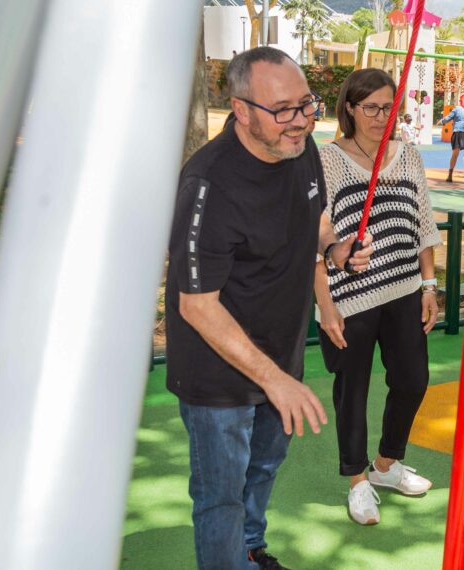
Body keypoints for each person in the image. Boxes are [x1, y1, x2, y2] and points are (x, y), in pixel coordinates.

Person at [166, 47, 373, 570]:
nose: (300, 120)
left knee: (261, 471)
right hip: (218, 371)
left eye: (306, 104)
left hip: (281, 356)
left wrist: (334, 249)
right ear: (240, 110)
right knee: (221, 497)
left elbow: (315, 219)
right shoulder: (208, 184)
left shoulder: (298, 147)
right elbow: (197, 306)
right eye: (282, 110)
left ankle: (251, 550)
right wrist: (274, 380)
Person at [315, 68, 444, 526]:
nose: (380, 116)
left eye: (388, 107)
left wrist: (429, 286)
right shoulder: (327, 159)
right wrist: (325, 303)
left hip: (404, 288)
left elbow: (423, 225)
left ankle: (386, 465)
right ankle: (357, 480)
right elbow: (317, 230)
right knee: (352, 389)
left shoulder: (407, 156)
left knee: (413, 379)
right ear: (349, 108)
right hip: (349, 296)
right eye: (370, 107)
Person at [438, 94, 464, 185]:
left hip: (458, 133)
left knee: (455, 155)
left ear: (461, 101)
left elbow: (448, 118)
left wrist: (441, 121)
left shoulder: (457, 109)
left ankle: (450, 176)